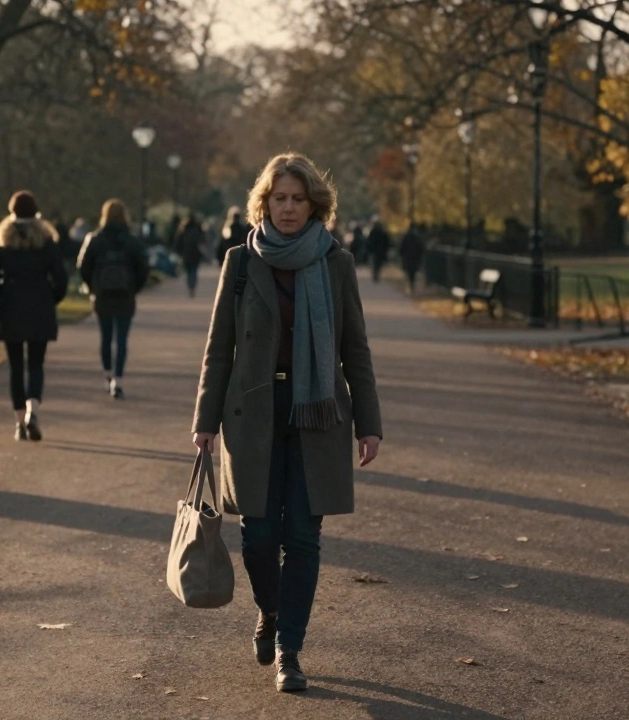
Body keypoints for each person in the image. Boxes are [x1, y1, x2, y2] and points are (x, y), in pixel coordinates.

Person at [192, 152, 382, 693]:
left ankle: (289, 650)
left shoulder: (336, 263)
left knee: (302, 537)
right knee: (258, 537)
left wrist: (369, 423)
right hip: (253, 413)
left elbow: (355, 349)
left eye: (299, 199)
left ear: (314, 204)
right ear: (265, 203)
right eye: (280, 198)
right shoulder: (240, 262)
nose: (289, 208)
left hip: (317, 413)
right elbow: (219, 348)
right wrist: (205, 420)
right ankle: (271, 612)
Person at [0, 191, 69, 441]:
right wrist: (50, 298)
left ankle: (19, 423)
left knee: (16, 366)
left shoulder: (3, 240)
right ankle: (33, 410)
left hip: (11, 307)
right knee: (36, 364)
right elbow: (61, 279)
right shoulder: (46, 240)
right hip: (40, 306)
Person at [77, 199, 150, 400]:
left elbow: (83, 266)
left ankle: (108, 374)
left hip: (102, 295)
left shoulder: (95, 239)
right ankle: (118, 379)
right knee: (122, 339)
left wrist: (93, 286)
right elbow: (143, 268)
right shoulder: (132, 240)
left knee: (106, 337)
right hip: (125, 295)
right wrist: (134, 287)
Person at [173, 212, 209, 297]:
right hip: (196, 254)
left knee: (188, 271)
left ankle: (190, 284)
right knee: (194, 271)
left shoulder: (183, 229)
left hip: (186, 254)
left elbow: (178, 242)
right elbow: (203, 240)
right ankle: (192, 286)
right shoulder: (198, 229)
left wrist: (178, 251)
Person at [398, 222, 425, 295]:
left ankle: (411, 284)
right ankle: (412, 284)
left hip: (407, 257)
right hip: (415, 257)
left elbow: (402, 247)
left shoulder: (406, 237)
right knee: (413, 272)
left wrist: (402, 255)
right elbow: (421, 248)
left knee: (409, 272)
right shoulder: (417, 238)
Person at [366, 217, 390, 283]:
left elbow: (369, 241)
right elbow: (386, 242)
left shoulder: (373, 232)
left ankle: (375, 274)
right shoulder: (383, 232)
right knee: (378, 263)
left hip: (374, 250)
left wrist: (369, 249)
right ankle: (377, 274)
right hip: (380, 251)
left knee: (375, 263)